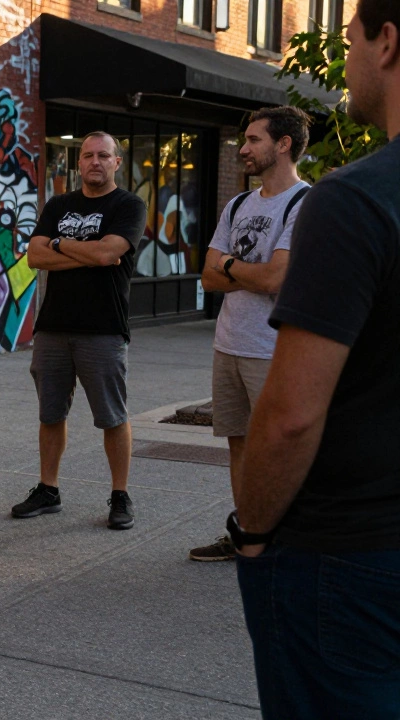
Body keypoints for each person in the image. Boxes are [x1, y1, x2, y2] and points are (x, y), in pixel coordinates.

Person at [232, 2, 400, 715]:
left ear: (386, 40)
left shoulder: (353, 200)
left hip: (350, 556)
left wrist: (253, 534)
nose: (349, 55)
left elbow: (291, 416)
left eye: (350, 36)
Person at [188, 106, 311, 562]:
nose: (243, 148)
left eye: (254, 139)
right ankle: (246, 535)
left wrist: (232, 268)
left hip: (273, 350)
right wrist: (246, 273)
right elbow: (207, 277)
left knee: (278, 452)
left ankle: (286, 543)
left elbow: (275, 280)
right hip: (229, 344)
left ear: (283, 144)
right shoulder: (238, 204)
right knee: (238, 445)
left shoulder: (304, 204)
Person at [17, 131, 146, 529]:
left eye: (103, 155)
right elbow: (34, 257)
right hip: (54, 327)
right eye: (88, 155)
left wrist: (58, 245)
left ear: (116, 163)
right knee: (51, 413)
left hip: (103, 328)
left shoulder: (129, 205)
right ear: (79, 163)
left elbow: (110, 253)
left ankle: (120, 496)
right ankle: (48, 489)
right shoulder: (59, 204)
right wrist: (81, 252)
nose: (94, 161)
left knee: (112, 416)